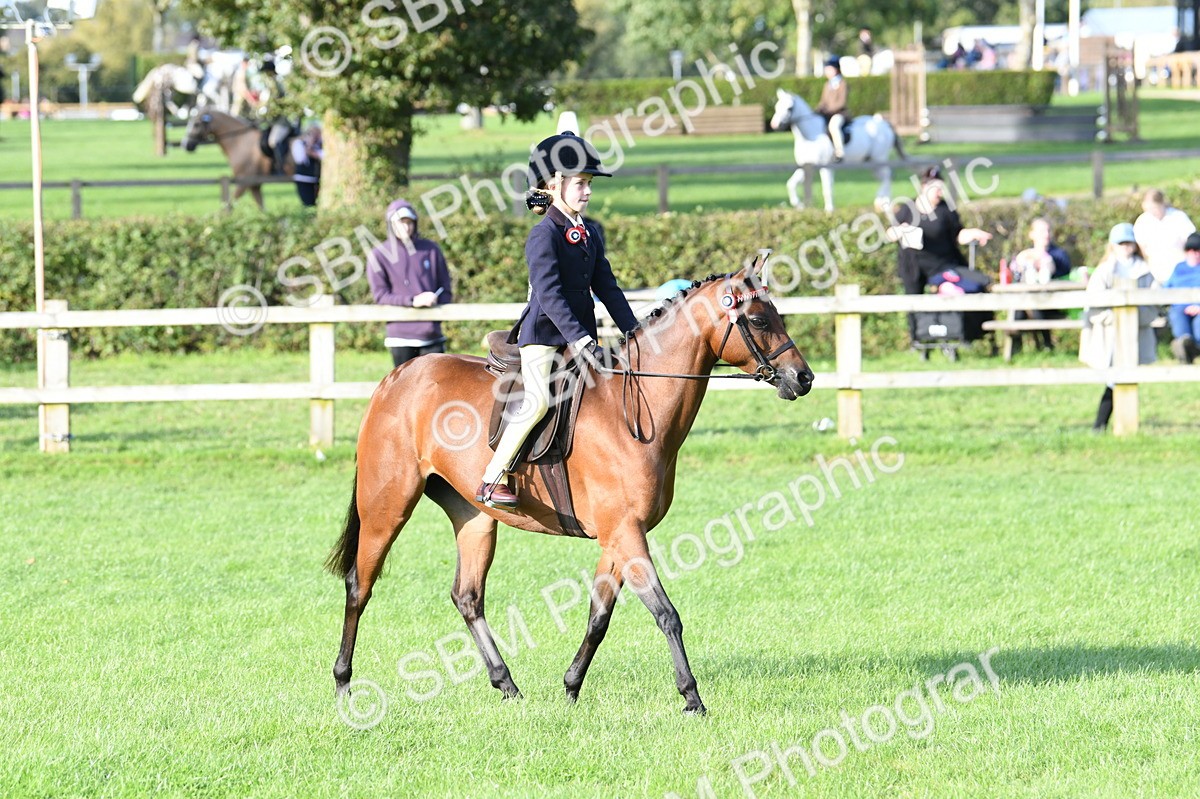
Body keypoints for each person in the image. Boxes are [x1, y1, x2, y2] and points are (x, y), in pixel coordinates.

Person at [475, 131, 639, 509]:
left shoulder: (588, 233)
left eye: (589, 184)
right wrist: (581, 340)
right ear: (554, 185)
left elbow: (608, 288)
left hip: (580, 335)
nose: (588, 191)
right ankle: (492, 478)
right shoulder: (543, 234)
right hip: (544, 335)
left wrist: (635, 331)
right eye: (580, 184)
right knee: (537, 402)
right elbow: (549, 295)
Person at [891, 166, 993, 343]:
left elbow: (957, 234)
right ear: (924, 187)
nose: (939, 192)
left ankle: (966, 334)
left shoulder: (946, 209)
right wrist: (901, 231)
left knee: (975, 284)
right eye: (935, 188)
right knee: (913, 301)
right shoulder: (907, 209)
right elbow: (890, 233)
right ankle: (917, 341)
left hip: (942, 265)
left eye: (941, 188)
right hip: (913, 265)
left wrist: (973, 233)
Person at [1080, 223, 1156, 431]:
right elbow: (1093, 306)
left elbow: (1153, 303)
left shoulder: (1145, 271)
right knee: (1114, 379)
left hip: (1136, 333)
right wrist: (1115, 318)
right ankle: (1101, 424)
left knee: (1128, 377)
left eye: (1128, 242)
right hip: (1110, 334)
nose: (1125, 247)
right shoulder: (1104, 271)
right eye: (1120, 243)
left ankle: (1115, 425)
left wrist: (1136, 318)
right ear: (1112, 245)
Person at [367, 200, 454, 369]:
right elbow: (381, 295)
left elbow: (445, 287)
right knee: (404, 384)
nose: (406, 227)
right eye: (401, 222)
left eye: (409, 222)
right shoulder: (379, 254)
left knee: (435, 384)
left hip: (432, 334)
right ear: (391, 224)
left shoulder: (431, 249)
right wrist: (413, 301)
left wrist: (437, 303)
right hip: (400, 336)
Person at [1010, 217, 1073, 353]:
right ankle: (1019, 348)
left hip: (1052, 301)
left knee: (1032, 304)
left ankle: (1044, 345)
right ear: (1031, 234)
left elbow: (1064, 276)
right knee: (1020, 306)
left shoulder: (1059, 255)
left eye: (1048, 230)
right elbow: (1016, 277)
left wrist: (1047, 264)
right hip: (1028, 300)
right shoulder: (1025, 255)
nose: (1046, 234)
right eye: (1041, 231)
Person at [1133, 188, 1196, 284]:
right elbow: (1143, 250)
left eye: (1154, 208)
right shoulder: (1142, 222)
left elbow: (1191, 242)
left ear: (1162, 204)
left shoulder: (1178, 217)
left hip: (1180, 272)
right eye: (1148, 209)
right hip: (1156, 273)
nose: (1151, 212)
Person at [1163, 232, 1200, 364]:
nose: (1195, 253)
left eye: (1198, 250)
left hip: (1198, 307)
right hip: (1180, 307)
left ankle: (1194, 349)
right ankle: (1184, 346)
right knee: (1177, 316)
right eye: (1191, 250)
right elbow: (1166, 289)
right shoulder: (1179, 268)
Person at [816, 56, 848, 160]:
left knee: (833, 126)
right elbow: (823, 101)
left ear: (836, 69)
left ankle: (839, 151)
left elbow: (842, 102)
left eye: (830, 69)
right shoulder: (827, 84)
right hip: (827, 113)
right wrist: (817, 110)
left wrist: (830, 110)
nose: (827, 71)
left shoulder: (842, 84)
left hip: (839, 113)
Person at [290, 124, 322, 207]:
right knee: (308, 204)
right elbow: (300, 159)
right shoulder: (299, 143)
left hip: (317, 179)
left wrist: (312, 152)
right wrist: (309, 146)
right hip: (303, 179)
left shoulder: (320, 144)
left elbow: (323, 156)